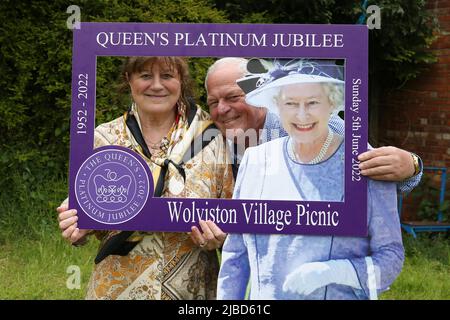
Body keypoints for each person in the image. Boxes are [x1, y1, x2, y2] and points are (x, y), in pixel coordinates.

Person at [190, 56, 423, 251]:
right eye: (213, 102)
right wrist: (221, 237)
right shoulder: (213, 146)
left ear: (259, 94)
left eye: (232, 97)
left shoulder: (310, 123)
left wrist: (411, 166)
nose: (221, 109)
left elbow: (380, 173)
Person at [217, 59, 404, 300]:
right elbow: (236, 256)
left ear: (333, 103)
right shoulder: (255, 160)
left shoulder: (363, 164)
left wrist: (333, 272)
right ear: (276, 106)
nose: (302, 114)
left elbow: (391, 258)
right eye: (291, 103)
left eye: (313, 102)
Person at [57, 56, 234, 300]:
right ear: (128, 79)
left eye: (168, 76)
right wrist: (76, 222)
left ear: (181, 80)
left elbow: (235, 216)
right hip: (118, 289)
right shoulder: (103, 138)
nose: (157, 85)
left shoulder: (213, 137)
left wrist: (222, 238)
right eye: (145, 76)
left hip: (190, 292)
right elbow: (86, 211)